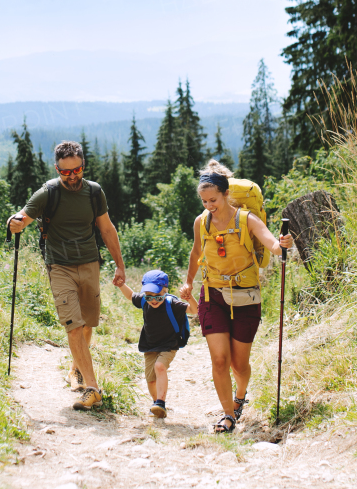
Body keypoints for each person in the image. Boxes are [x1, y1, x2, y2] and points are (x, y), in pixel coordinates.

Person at [8, 141, 127, 411]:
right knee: (73, 325)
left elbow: (107, 230)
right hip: (59, 266)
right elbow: (23, 218)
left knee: (88, 324)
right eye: (66, 172)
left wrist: (119, 265)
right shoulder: (47, 193)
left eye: (77, 170)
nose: (72, 176)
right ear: (57, 169)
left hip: (89, 263)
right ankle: (93, 389)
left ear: (83, 166)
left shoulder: (94, 192)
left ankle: (76, 370)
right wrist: (15, 223)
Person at [179, 160, 293, 433]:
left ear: (226, 194)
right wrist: (189, 282)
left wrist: (282, 245)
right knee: (219, 360)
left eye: (213, 200)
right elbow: (196, 253)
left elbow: (272, 245)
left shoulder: (247, 220)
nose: (209, 206)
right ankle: (228, 414)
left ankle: (240, 395)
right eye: (204, 201)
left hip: (245, 297)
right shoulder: (201, 222)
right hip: (213, 295)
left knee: (238, 364)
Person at [115, 269, 197, 418]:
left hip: (169, 344)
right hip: (150, 344)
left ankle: (161, 402)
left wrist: (189, 298)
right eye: (149, 296)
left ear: (165, 291)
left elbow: (194, 310)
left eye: (158, 297)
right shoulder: (143, 300)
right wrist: (121, 285)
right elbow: (130, 295)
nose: (153, 300)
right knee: (151, 379)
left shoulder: (172, 304)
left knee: (159, 367)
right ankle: (156, 405)